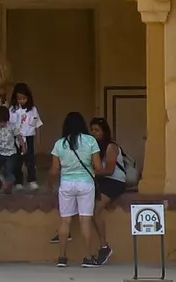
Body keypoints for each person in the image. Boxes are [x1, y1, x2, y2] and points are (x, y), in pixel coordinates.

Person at [49, 112, 104, 268]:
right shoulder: (90, 141)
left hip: (66, 184)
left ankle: (62, 257)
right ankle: (87, 257)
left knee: (65, 221)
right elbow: (99, 167)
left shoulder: (59, 144)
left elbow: (54, 170)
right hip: (86, 184)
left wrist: (49, 183)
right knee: (85, 221)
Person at [88, 117, 126, 265]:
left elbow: (110, 170)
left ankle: (104, 246)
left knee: (95, 209)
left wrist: (92, 173)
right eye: (92, 130)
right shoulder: (93, 147)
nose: (94, 133)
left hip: (115, 181)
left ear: (104, 131)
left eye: (97, 130)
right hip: (101, 180)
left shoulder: (111, 147)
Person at [8, 82, 41, 191]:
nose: (22, 101)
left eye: (24, 98)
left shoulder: (33, 109)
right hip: (17, 138)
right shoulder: (12, 109)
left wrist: (38, 139)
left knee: (30, 159)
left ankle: (32, 180)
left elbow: (37, 124)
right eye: (19, 98)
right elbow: (10, 126)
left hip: (29, 137)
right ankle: (18, 181)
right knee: (17, 160)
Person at [0, 105, 17, 193]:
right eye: (0, 122)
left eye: (4, 122)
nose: (2, 124)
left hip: (10, 153)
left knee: (8, 170)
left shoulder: (11, 126)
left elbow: (19, 136)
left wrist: (23, 147)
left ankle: (8, 187)